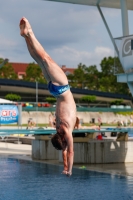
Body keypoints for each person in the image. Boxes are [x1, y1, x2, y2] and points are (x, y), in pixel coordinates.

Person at [19, 17, 76, 176]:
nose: (65, 147)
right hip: (54, 90)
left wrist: (69, 169)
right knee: (39, 60)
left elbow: (69, 153)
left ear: (63, 140)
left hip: (63, 89)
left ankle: (30, 33)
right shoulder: (58, 128)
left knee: (45, 58)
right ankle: (26, 36)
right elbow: (64, 151)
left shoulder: (67, 131)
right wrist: (64, 167)